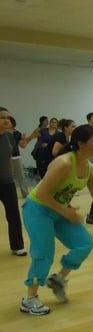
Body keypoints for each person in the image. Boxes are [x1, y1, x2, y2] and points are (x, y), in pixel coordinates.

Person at [20, 125, 93, 315]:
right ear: (80, 144)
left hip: (60, 210)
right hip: (38, 209)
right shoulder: (64, 163)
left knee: (84, 243)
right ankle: (30, 298)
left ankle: (59, 279)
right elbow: (42, 193)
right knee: (44, 252)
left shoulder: (90, 169)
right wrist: (66, 212)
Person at [0, 107, 27, 256]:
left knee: (14, 215)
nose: (6, 120)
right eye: (2, 117)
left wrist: (11, 174)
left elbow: (9, 158)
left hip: (7, 182)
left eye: (8, 118)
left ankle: (17, 246)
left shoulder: (9, 137)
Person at [7, 116, 39, 198]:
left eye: (8, 120)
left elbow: (23, 145)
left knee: (21, 177)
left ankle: (25, 195)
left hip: (16, 157)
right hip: (5, 158)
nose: (6, 121)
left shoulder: (17, 133)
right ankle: (7, 195)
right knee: (7, 177)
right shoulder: (2, 132)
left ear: (12, 123)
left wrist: (29, 138)